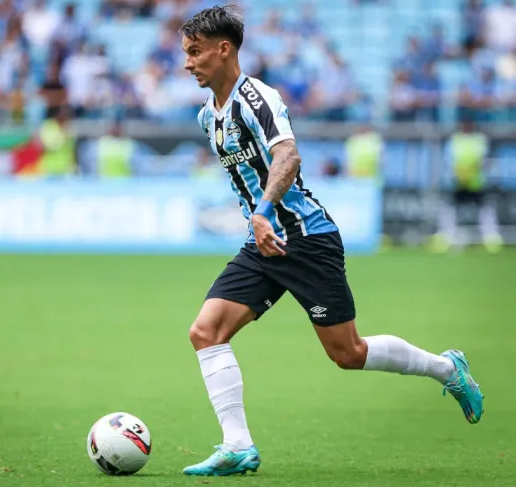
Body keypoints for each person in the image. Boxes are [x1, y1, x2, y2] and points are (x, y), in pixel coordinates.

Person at [179, 5, 484, 477]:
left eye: (195, 52)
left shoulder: (257, 97)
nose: (188, 63)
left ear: (224, 50)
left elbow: (288, 156)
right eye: (185, 54)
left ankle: (447, 369)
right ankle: (237, 445)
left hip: (304, 238)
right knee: (206, 332)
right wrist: (258, 221)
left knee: (348, 353)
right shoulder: (208, 117)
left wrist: (262, 213)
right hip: (262, 244)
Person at [432, 119, 503, 253]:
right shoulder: (455, 140)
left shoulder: (479, 140)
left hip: (476, 182)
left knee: (485, 209)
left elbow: (484, 160)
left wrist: (474, 172)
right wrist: (457, 174)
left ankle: (491, 238)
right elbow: (448, 160)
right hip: (458, 182)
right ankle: (447, 237)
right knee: (449, 208)